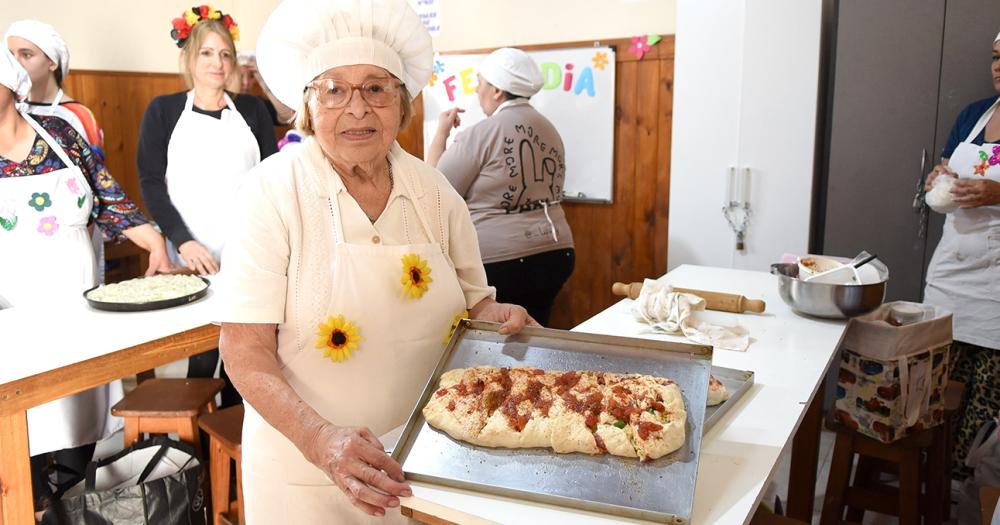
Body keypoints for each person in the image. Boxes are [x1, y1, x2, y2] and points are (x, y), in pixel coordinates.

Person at [217, 0, 536, 521]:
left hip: (427, 465)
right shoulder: (271, 194)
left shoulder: (436, 194)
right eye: (335, 89)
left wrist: (501, 319)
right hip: (305, 475)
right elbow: (244, 349)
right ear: (309, 105)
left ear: (403, 102)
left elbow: (476, 308)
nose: (358, 108)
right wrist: (319, 439)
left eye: (376, 87)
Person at [0, 49, 171, 516]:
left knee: (78, 431)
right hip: (14, 326)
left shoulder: (59, 133)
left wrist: (153, 242)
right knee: (22, 438)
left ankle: (77, 507)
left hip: (79, 316)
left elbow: (106, 197)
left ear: (9, 83)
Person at [137, 6, 276, 403]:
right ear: (189, 57)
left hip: (246, 252)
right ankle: (195, 446)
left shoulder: (252, 111)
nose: (218, 63)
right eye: (207, 53)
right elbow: (150, 182)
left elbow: (269, 180)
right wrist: (183, 241)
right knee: (198, 355)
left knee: (246, 348)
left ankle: (233, 436)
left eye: (225, 54)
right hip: (188, 250)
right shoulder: (162, 111)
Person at [429, 47, 575, 326]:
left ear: (496, 90)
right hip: (558, 253)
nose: (476, 91)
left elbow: (437, 189)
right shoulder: (550, 130)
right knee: (536, 337)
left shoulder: (482, 133)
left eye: (480, 83)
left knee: (499, 345)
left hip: (502, 262)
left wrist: (441, 133)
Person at [922, 29, 1000, 478]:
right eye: (994, 56)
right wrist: (938, 181)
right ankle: (930, 478)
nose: (997, 65)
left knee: (986, 397)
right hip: (952, 274)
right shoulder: (974, 114)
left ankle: (967, 490)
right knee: (934, 387)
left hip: (996, 288)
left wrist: (997, 192)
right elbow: (948, 175)